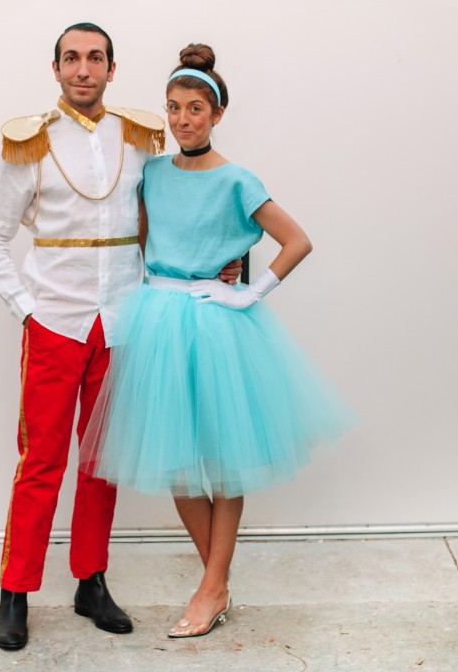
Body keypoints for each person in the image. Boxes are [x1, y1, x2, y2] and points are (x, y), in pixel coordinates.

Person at [0, 24, 241, 651]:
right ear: (56, 68)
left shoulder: (141, 137)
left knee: (102, 463)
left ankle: (90, 581)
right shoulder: (29, 144)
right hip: (55, 323)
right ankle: (15, 592)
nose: (84, 70)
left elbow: (180, 208)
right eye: (73, 58)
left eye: (96, 58)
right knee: (41, 460)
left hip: (122, 322)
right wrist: (25, 309)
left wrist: (218, 262)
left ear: (112, 69)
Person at [81, 43, 358, 639]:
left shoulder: (238, 178)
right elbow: (147, 245)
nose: (183, 120)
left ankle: (210, 587)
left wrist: (246, 288)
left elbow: (297, 240)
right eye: (174, 108)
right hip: (160, 320)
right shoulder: (152, 174)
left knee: (224, 462)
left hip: (215, 325)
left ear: (217, 113)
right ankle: (218, 580)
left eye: (196, 109)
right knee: (179, 464)